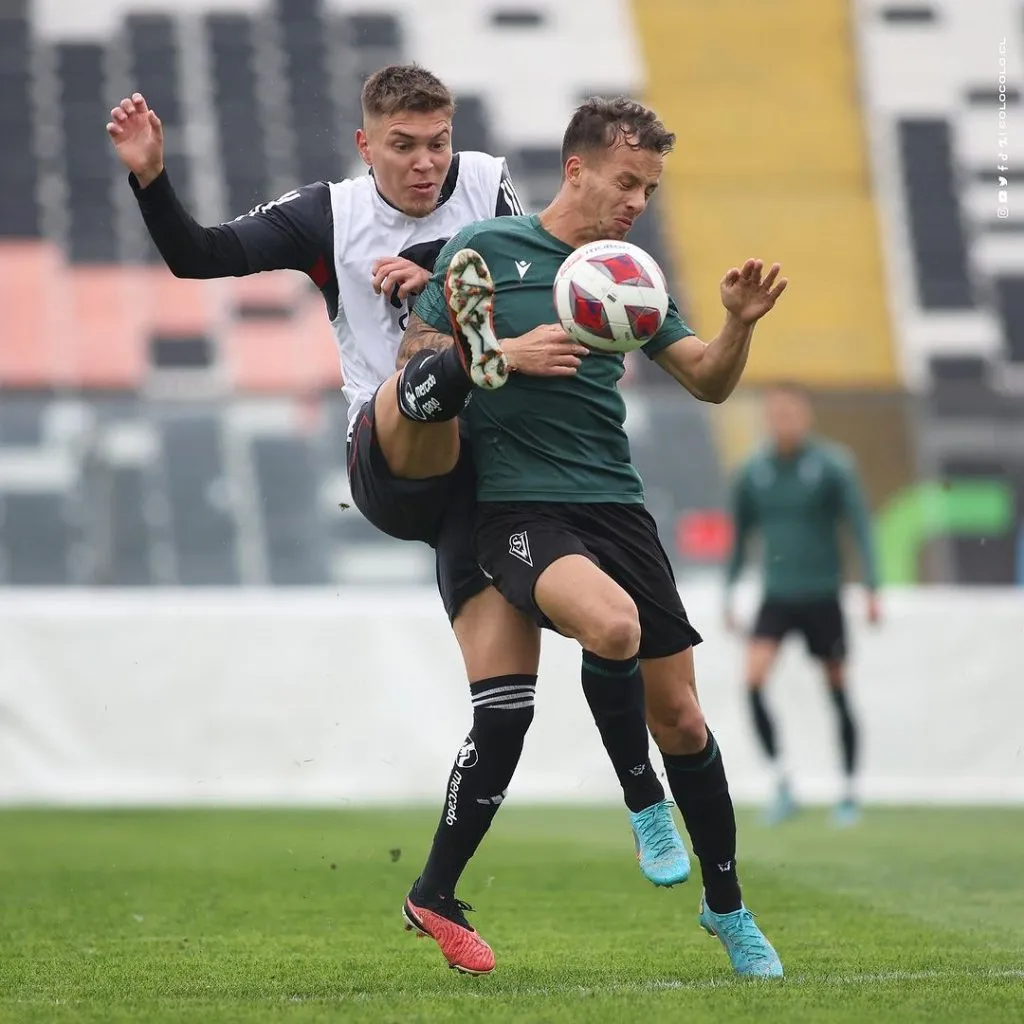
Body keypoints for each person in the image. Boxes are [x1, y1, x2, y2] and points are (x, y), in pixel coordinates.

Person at [106, 64, 687, 977]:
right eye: (405, 147)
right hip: (393, 457)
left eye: (438, 143)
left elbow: (523, 259)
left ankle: (434, 894)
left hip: (483, 489)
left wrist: (442, 280)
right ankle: (448, 361)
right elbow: (199, 256)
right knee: (428, 382)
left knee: (506, 710)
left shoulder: (490, 184)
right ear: (366, 145)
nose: (426, 165)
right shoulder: (326, 217)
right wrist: (150, 175)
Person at [404, 96, 786, 978]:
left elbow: (708, 383)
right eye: (626, 182)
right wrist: (505, 354)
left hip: (617, 506)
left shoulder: (625, 269)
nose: (637, 202)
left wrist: (737, 326)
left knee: (684, 718)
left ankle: (727, 908)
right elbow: (417, 367)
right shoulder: (486, 253)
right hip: (518, 510)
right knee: (611, 627)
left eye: (649, 188)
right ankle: (642, 799)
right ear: (575, 169)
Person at [724, 382, 881, 828]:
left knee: (836, 688)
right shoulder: (753, 472)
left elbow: (861, 527)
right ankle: (782, 781)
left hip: (821, 595)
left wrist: (872, 587)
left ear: (805, 417)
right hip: (777, 595)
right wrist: (730, 592)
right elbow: (740, 539)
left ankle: (849, 790)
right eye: (775, 414)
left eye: (790, 413)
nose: (782, 422)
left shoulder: (832, 466)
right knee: (752, 680)